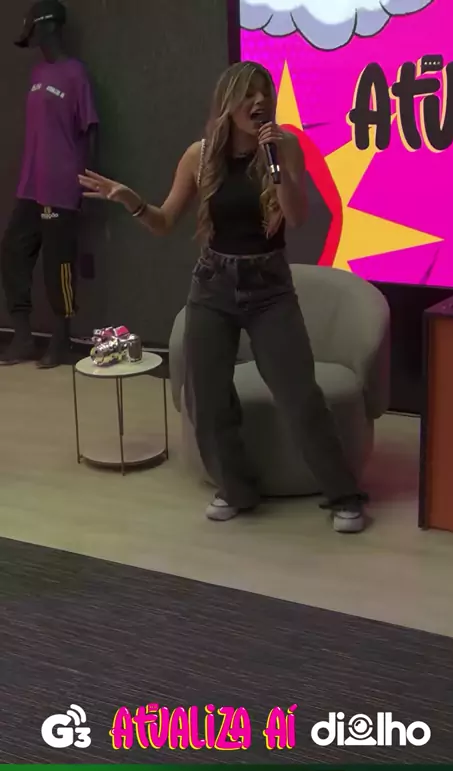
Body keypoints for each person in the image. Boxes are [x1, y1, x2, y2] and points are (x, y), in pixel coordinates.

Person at [79, 61, 367, 533]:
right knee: (207, 396)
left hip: (269, 287)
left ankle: (344, 495)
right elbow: (164, 221)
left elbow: (297, 218)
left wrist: (275, 164)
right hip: (213, 284)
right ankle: (236, 488)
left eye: (265, 93)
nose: (259, 101)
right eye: (248, 94)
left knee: (299, 395)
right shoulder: (201, 155)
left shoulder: (284, 146)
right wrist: (131, 200)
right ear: (228, 103)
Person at [0, 0, 98, 369]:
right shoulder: (37, 73)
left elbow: (91, 128)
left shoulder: (76, 74)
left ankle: (61, 340)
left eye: (35, 30)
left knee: (58, 265)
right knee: (13, 250)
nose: (34, 39)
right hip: (31, 184)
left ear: (49, 27)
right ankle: (23, 337)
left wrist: (90, 183)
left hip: (62, 185)